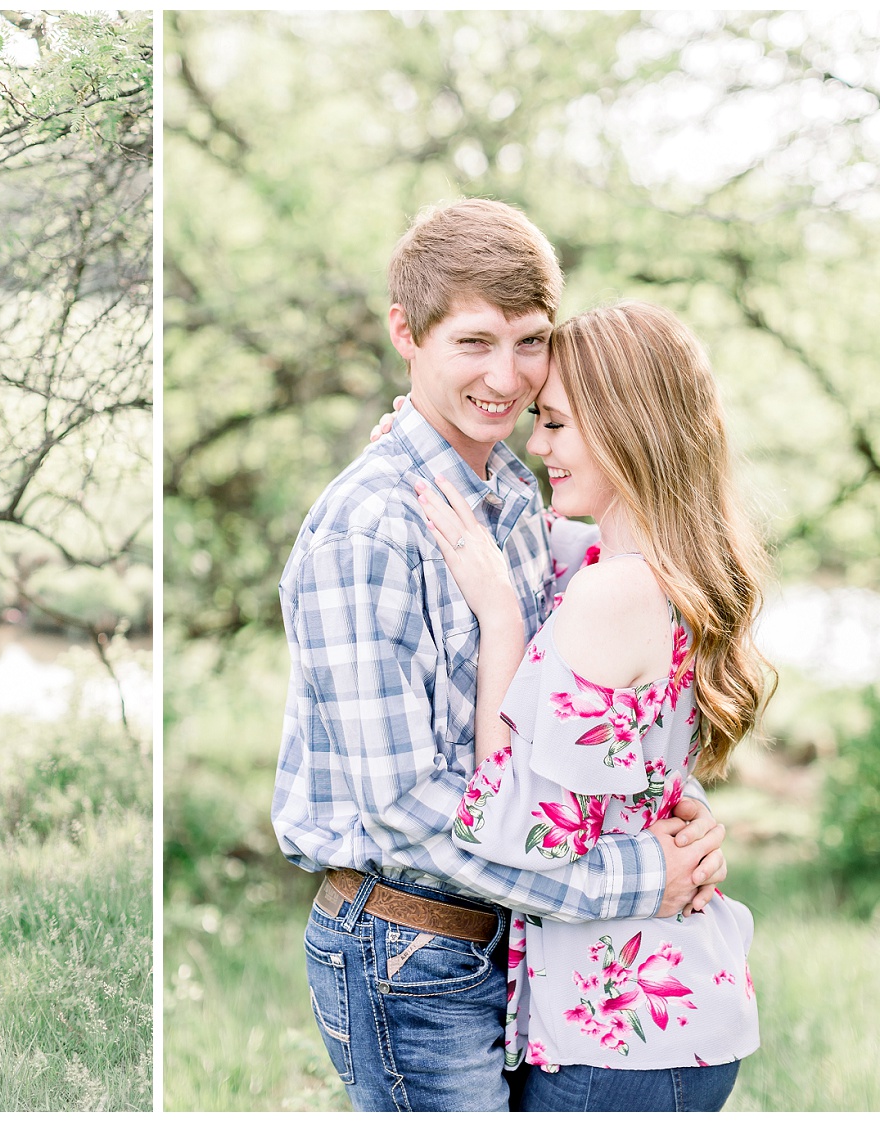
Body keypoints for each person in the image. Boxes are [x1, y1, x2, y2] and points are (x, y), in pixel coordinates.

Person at [272, 199, 730, 1112]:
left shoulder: (517, 492)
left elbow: (595, 691)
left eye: (529, 343)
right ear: (407, 333)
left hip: (514, 934)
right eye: (474, 343)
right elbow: (403, 806)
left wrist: (674, 802)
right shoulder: (370, 530)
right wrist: (639, 875)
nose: (508, 378)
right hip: (411, 943)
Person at [415, 301, 769, 1111]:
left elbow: (511, 827)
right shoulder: (657, 565)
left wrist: (501, 619)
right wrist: (429, 440)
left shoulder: (612, 594)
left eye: (555, 423)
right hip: (664, 1013)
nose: (537, 447)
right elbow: (530, 537)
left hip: (617, 1042)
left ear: (624, 428)